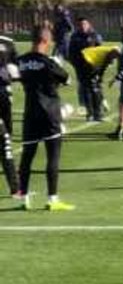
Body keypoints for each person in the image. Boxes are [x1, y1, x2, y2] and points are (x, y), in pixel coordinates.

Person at [15, 23, 74, 211]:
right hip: (50, 113)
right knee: (53, 156)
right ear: (45, 40)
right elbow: (67, 79)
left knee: (27, 157)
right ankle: (52, 199)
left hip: (30, 113)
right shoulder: (48, 62)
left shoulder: (20, 61)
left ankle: (24, 198)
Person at [68, 17, 104, 118]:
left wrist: (99, 65)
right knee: (85, 90)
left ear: (88, 24)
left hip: (94, 68)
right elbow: (71, 53)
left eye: (84, 24)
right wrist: (76, 64)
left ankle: (98, 112)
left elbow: (100, 50)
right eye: (80, 25)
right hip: (81, 68)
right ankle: (90, 113)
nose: (82, 26)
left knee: (95, 89)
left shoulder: (95, 36)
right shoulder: (74, 37)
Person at [0, 35, 19, 197]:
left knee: (5, 143)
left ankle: (16, 189)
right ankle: (16, 189)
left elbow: (15, 64)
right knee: (5, 145)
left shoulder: (7, 42)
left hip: (3, 94)